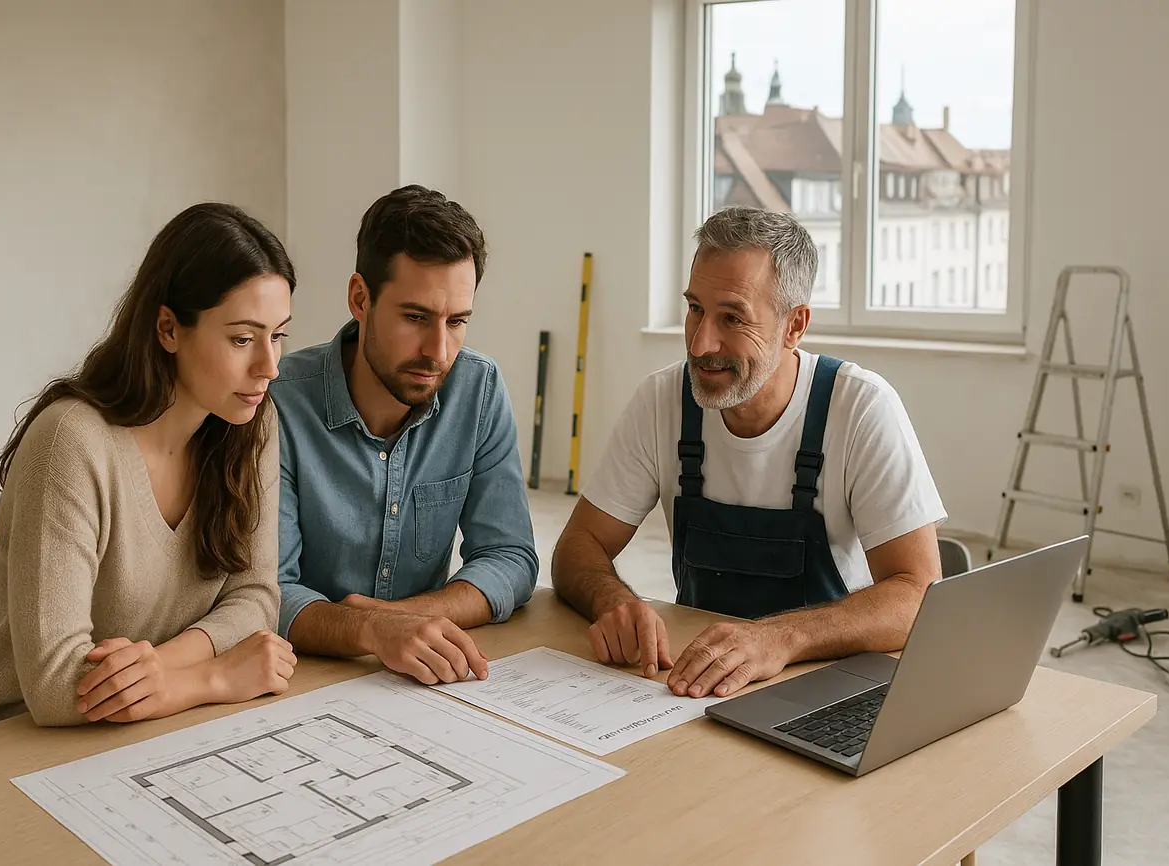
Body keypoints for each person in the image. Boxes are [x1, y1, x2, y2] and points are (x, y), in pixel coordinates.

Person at [0, 203, 299, 741]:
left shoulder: (251, 424)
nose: (270, 366)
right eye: (243, 339)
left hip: (130, 734)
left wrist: (163, 671)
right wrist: (212, 677)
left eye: (278, 335)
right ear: (168, 328)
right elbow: (55, 685)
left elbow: (257, 597)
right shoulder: (71, 443)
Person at [552, 206, 947, 701]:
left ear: (794, 325)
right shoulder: (662, 400)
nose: (701, 343)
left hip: (824, 683)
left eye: (732, 318)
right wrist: (613, 602)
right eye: (695, 308)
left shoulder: (860, 407)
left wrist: (780, 638)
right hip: (699, 684)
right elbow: (578, 545)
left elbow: (918, 593)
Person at [273, 185, 537, 687]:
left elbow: (510, 557)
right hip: (300, 678)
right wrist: (372, 631)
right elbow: (269, 591)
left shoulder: (478, 389)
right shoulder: (279, 402)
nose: (438, 351)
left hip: (418, 677)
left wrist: (402, 620)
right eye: (416, 317)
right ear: (360, 299)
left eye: (456, 321)